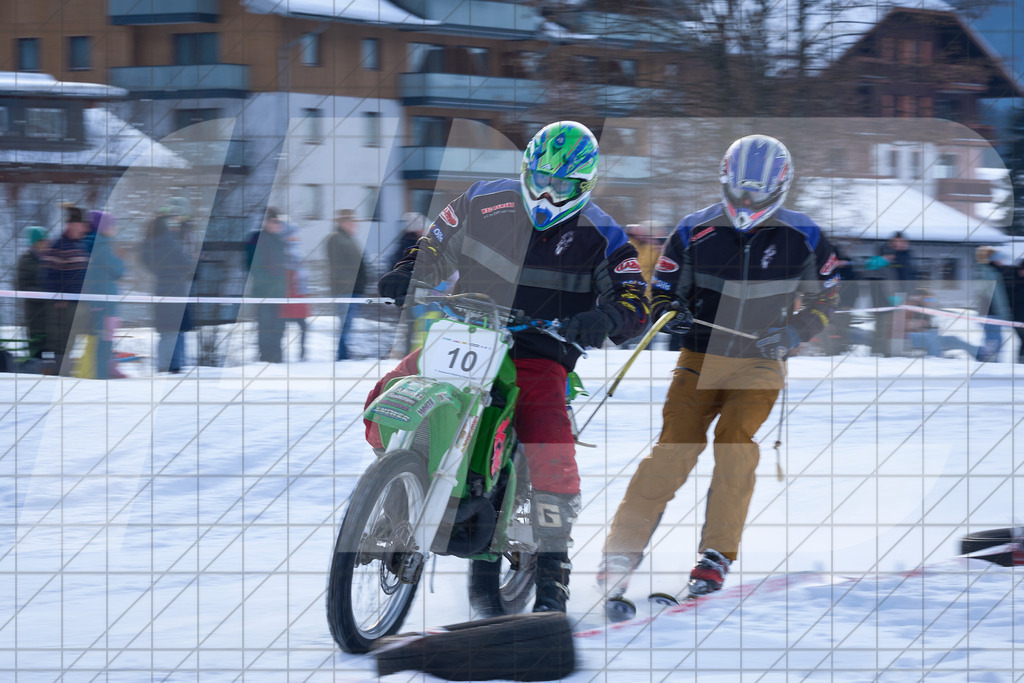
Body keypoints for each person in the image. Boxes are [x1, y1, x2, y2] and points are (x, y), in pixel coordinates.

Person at [373, 121, 649, 613]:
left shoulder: (602, 233)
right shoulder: (482, 200)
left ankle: (551, 578)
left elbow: (634, 300)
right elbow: (432, 245)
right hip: (468, 334)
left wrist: (602, 317)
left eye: (561, 185)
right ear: (524, 169)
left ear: (583, 187)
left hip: (539, 349)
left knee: (549, 444)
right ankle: (399, 490)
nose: (546, 191)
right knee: (390, 391)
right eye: (539, 177)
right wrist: (408, 274)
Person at [598, 134, 839, 600]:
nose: (747, 202)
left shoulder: (805, 236)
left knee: (734, 443)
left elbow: (826, 297)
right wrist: (673, 310)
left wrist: (794, 333)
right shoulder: (693, 230)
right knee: (675, 448)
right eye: (740, 190)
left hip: (761, 361)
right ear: (726, 182)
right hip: (699, 357)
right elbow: (662, 290)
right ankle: (621, 551)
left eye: (758, 193)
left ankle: (715, 555)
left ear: (780, 188)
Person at [142, 199, 195, 374]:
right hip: (176, 289)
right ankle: (170, 366)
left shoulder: (149, 243)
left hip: (161, 288)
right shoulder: (170, 242)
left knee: (168, 331)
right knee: (174, 331)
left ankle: (169, 365)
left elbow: (148, 261)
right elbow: (186, 263)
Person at [41, 204, 92, 375]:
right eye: (81, 225)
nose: (84, 229)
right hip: (64, 305)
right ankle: (59, 374)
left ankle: (66, 372)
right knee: (63, 341)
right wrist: (58, 297)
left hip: (78, 302)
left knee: (73, 341)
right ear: (71, 225)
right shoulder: (59, 246)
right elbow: (50, 275)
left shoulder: (80, 246)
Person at [82, 211, 125, 378]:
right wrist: (120, 260)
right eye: (112, 225)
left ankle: (103, 372)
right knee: (104, 342)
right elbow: (119, 269)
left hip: (100, 301)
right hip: (104, 302)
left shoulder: (94, 243)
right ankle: (100, 377)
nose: (115, 228)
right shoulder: (101, 245)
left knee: (102, 340)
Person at [245, 207, 288, 363]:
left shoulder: (279, 241)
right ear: (266, 222)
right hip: (262, 293)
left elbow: (283, 266)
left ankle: (277, 360)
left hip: (278, 293)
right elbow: (251, 266)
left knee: (278, 328)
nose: (277, 225)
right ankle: (266, 360)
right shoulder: (255, 239)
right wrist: (270, 282)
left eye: (279, 222)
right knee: (265, 328)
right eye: (274, 221)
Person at [326, 209, 368, 361]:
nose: (354, 225)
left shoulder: (349, 239)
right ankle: (342, 355)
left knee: (348, 323)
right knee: (345, 323)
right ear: (343, 223)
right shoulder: (336, 239)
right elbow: (342, 265)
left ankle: (345, 353)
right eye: (351, 222)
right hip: (345, 289)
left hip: (354, 288)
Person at [903, 288, 978, 358]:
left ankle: (978, 352)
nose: (929, 302)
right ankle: (935, 358)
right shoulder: (910, 307)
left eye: (931, 299)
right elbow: (901, 326)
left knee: (953, 339)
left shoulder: (926, 310)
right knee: (931, 336)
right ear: (919, 298)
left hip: (927, 337)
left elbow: (927, 326)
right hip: (910, 338)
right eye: (927, 299)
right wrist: (917, 323)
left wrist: (932, 327)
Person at [278, 216, 310, 361]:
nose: (295, 238)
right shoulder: (283, 252)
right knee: (281, 325)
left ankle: (302, 353)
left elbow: (303, 273)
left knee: (303, 325)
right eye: (292, 235)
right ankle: (279, 355)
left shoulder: (297, 250)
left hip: (298, 292)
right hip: (287, 291)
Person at [16, 226, 50, 361]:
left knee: (51, 346)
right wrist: (46, 294)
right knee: (37, 347)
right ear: (36, 243)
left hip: (49, 313)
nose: (47, 243)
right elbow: (23, 286)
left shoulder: (48, 259)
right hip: (35, 312)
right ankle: (37, 373)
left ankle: (49, 373)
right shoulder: (26, 261)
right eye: (44, 240)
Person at [974, 246, 1011, 363]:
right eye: (999, 259)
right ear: (992, 259)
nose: (1002, 262)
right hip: (992, 312)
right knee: (995, 341)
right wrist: (1004, 313)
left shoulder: (984, 271)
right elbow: (997, 296)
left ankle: (986, 361)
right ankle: (988, 362)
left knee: (993, 340)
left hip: (985, 312)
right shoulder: (991, 273)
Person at [1005, 258, 1024, 363]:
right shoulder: (1013, 282)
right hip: (1018, 317)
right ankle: (1021, 362)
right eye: (1021, 269)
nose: (1022, 272)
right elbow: (1011, 299)